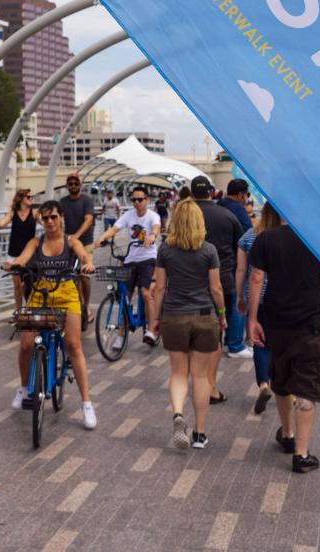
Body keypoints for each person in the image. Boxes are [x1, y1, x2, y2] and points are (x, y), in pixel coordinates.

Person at [246, 211, 320, 474]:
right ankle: (301, 454)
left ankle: (287, 435)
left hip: (277, 322)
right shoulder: (315, 239)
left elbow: (256, 278)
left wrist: (253, 319)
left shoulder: (266, 239)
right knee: (307, 386)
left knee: (282, 378)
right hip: (309, 324)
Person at [1, 198, 98, 429]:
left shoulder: (71, 241)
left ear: (61, 218)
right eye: (46, 218)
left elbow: (84, 256)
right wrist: (14, 265)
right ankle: (24, 388)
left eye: (54, 216)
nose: (50, 221)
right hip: (40, 293)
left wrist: (87, 264)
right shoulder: (36, 242)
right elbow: (23, 258)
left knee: (74, 346)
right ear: (42, 221)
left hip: (66, 294)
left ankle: (86, 404)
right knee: (26, 344)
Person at [149, 199, 227, 450]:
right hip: (204, 316)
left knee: (178, 373)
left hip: (174, 315)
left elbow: (159, 287)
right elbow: (215, 288)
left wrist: (156, 319)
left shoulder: (166, 250)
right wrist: (223, 314)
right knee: (201, 376)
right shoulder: (208, 250)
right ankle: (200, 434)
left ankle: (178, 413)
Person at [186, 176, 246, 408]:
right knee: (216, 334)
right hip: (222, 280)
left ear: (191, 193)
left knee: (192, 336)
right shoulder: (228, 215)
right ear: (211, 192)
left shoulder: (185, 215)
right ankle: (209, 385)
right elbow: (240, 247)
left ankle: (199, 382)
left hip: (189, 282)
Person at [90, 183, 161, 350]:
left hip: (148, 259)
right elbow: (114, 228)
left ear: (147, 200)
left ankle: (151, 331)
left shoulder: (152, 216)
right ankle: (121, 336)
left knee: (145, 292)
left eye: (140, 200)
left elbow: (156, 227)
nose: (136, 203)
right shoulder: (129, 215)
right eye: (134, 200)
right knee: (124, 296)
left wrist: (152, 235)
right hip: (130, 260)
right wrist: (101, 238)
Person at [236, 201, 279, 415]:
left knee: (260, 344)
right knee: (280, 342)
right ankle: (282, 385)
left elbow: (242, 268)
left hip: (256, 297)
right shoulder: (285, 237)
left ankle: (263, 384)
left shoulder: (249, 236)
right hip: (281, 297)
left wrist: (239, 296)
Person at [216, 178, 253, 360]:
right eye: (246, 195)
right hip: (234, 263)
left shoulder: (219, 205)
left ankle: (219, 341)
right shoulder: (238, 209)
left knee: (220, 303)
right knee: (238, 302)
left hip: (215, 264)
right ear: (240, 194)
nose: (246, 199)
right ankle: (236, 345)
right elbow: (249, 236)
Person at [0, 189, 38, 311]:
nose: (31, 199)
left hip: (29, 254)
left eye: (31, 197)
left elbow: (45, 223)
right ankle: (18, 310)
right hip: (13, 252)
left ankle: (29, 309)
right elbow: (2, 224)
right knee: (17, 284)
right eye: (28, 197)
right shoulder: (13, 213)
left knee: (29, 283)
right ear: (21, 199)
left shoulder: (35, 213)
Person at [59, 174, 96, 327]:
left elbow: (89, 219)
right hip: (68, 243)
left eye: (76, 183)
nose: (73, 186)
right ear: (67, 185)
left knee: (84, 275)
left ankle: (87, 306)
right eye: (70, 183)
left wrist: (77, 235)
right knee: (70, 277)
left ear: (80, 185)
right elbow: (59, 220)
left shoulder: (87, 201)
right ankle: (75, 307)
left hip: (85, 242)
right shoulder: (62, 202)